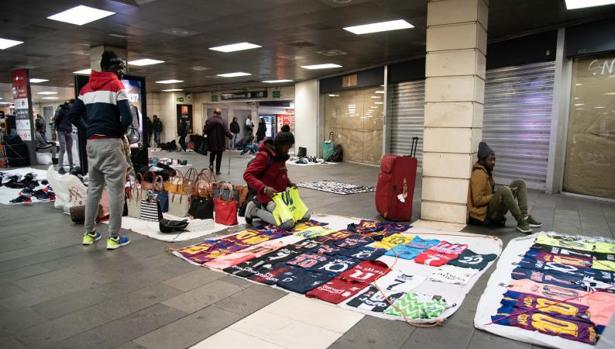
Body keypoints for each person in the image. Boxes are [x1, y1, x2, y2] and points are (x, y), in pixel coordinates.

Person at [66, 50, 132, 250]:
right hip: (111, 143)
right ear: (110, 67)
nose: (121, 72)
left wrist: (89, 129)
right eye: (119, 68)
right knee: (115, 190)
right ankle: (114, 237)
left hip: (92, 144)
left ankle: (89, 233)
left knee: (93, 189)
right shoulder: (116, 86)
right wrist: (117, 132)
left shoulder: (86, 89)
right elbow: (127, 118)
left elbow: (73, 115)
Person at [468, 141, 542, 234]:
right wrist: (495, 195)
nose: (493, 162)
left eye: (494, 159)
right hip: (483, 213)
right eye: (490, 160)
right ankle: (520, 222)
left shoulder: (486, 171)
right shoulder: (479, 174)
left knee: (519, 183)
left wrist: (501, 194)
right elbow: (477, 201)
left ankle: (525, 217)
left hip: (489, 208)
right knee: (503, 190)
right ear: (482, 161)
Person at [243, 131, 310, 228]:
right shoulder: (265, 156)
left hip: (281, 197)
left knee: (305, 216)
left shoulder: (281, 156)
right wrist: (264, 188)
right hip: (268, 198)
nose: (289, 149)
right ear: (281, 145)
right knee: (288, 223)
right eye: (288, 146)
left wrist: (289, 183)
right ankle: (255, 210)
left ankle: (275, 212)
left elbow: (281, 174)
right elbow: (247, 174)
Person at [203, 108, 233, 175]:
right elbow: (226, 131)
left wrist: (206, 134)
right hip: (220, 142)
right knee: (219, 156)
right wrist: (230, 135)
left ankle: (211, 164)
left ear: (214, 113)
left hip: (211, 141)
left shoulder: (209, 120)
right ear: (220, 114)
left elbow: (205, 130)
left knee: (212, 153)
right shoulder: (222, 121)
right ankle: (217, 171)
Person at [54, 99, 75, 174]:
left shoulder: (72, 110)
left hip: (68, 131)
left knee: (69, 150)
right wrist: (55, 128)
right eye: (73, 105)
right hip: (61, 131)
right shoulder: (62, 109)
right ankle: (60, 167)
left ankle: (71, 167)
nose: (73, 107)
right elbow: (56, 119)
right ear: (70, 104)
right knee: (62, 149)